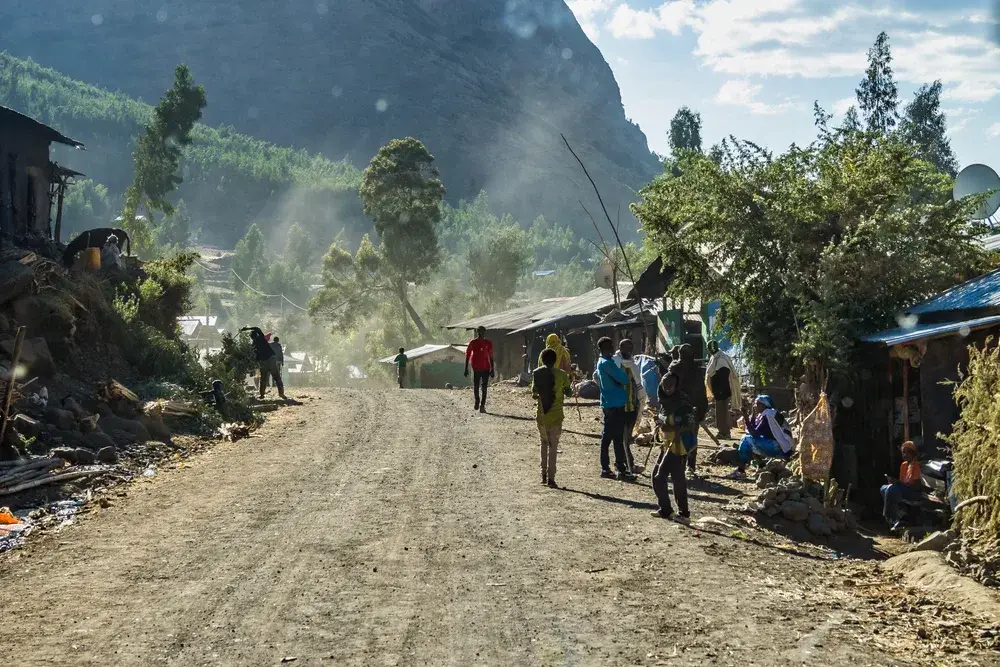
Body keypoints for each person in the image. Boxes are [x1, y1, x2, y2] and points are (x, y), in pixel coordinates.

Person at [651, 372, 696, 524]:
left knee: (661, 478)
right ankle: (667, 510)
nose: (667, 388)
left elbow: (691, 424)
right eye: (665, 385)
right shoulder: (664, 401)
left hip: (679, 445)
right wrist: (659, 422)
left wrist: (672, 428)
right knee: (666, 478)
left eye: (671, 385)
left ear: (676, 386)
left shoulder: (682, 403)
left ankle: (682, 514)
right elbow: (664, 419)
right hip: (666, 443)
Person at [532, 348, 573, 488]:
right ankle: (551, 478)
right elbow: (569, 393)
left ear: (542, 360)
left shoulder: (536, 373)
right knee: (553, 446)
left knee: (544, 444)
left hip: (542, 414)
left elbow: (534, 393)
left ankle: (543, 475)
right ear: (555, 360)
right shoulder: (562, 374)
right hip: (556, 415)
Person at [726, 395, 794, 479]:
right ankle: (762, 466)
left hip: (780, 448)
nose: (755, 406)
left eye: (757, 404)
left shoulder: (768, 415)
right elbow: (753, 430)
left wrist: (746, 418)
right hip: (782, 447)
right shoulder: (766, 414)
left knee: (747, 439)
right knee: (749, 440)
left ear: (764, 405)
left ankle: (741, 471)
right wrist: (753, 415)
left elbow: (754, 433)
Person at [596, 337, 635, 481]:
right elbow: (624, 379)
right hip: (616, 404)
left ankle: (609, 467)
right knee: (615, 438)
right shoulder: (608, 364)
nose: (611, 349)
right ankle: (618, 469)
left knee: (609, 437)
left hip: (608, 403)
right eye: (609, 347)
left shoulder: (601, 362)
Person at [668, 343, 708, 476]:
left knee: (676, 435)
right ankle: (690, 466)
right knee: (691, 436)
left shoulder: (675, 367)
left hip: (679, 409)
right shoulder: (696, 370)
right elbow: (701, 391)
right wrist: (702, 409)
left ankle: (678, 464)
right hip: (693, 409)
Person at [613, 338, 646, 474]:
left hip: (632, 405)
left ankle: (624, 464)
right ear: (620, 348)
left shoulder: (633, 364)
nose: (629, 351)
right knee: (623, 439)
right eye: (626, 348)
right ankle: (627, 465)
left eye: (630, 348)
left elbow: (638, 383)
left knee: (626, 438)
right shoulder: (614, 362)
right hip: (619, 406)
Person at [880, 441, 923, 531]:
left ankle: (890, 517)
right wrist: (894, 482)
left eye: (907, 452)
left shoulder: (916, 465)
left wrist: (899, 484)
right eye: (903, 452)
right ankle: (899, 516)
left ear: (912, 453)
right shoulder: (903, 465)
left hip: (913, 492)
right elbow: (902, 481)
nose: (904, 455)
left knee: (891, 489)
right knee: (884, 488)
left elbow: (917, 486)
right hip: (904, 489)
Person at [705, 340, 740, 439]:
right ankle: (722, 432)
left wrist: (719, 390)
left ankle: (725, 432)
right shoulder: (716, 357)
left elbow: (723, 375)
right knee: (720, 412)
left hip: (722, 391)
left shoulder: (721, 359)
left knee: (723, 412)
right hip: (719, 391)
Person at [240, 326, 286, 401]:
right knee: (276, 376)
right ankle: (281, 393)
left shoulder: (254, 345)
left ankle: (262, 395)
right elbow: (257, 328)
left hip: (264, 361)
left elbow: (255, 356)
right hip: (271, 358)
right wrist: (247, 329)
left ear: (252, 337)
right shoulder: (261, 338)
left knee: (264, 378)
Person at [464, 326, 495, 413]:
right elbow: (467, 355)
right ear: (477, 332)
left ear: (484, 332)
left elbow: (491, 356)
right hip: (476, 368)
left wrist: (492, 369)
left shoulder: (488, 343)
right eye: (479, 332)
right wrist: (466, 368)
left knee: (484, 387)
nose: (481, 333)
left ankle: (482, 405)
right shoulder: (473, 343)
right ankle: (477, 401)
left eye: (482, 332)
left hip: (485, 367)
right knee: (476, 386)